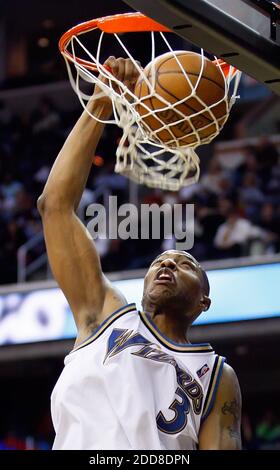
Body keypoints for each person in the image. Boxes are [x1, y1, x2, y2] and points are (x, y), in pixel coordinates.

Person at [38, 56, 242, 450]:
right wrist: (100, 102)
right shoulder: (102, 315)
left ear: (204, 301)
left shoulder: (217, 375)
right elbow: (55, 206)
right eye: (161, 261)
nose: (167, 262)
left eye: (186, 265)